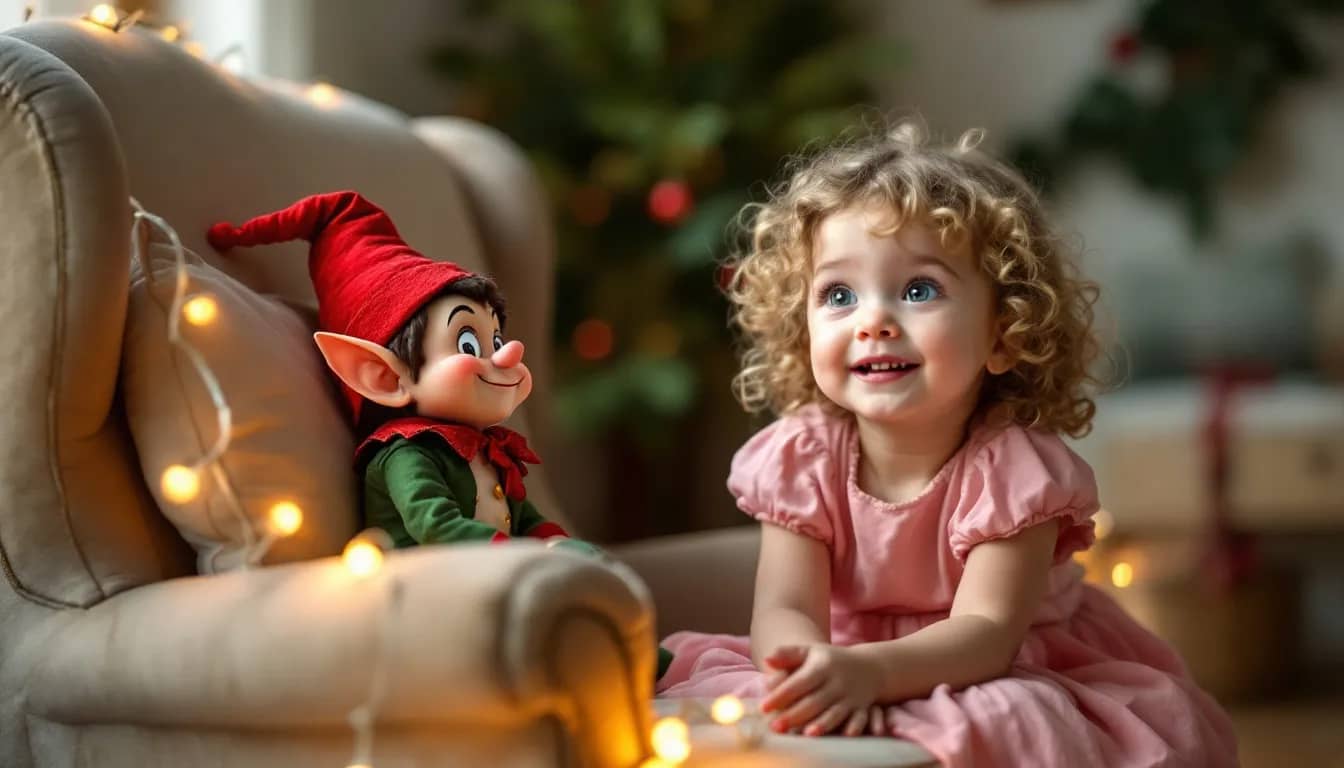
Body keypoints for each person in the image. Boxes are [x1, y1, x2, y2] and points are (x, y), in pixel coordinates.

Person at [656, 124, 1237, 766]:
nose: (872, 320)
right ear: (802, 328)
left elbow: (985, 635)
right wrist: (802, 672)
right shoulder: (802, 457)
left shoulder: (1014, 471)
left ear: (1004, 334)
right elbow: (786, 607)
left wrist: (873, 675)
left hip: (996, 666)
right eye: (838, 295)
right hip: (843, 662)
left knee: (1017, 719)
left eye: (918, 290)